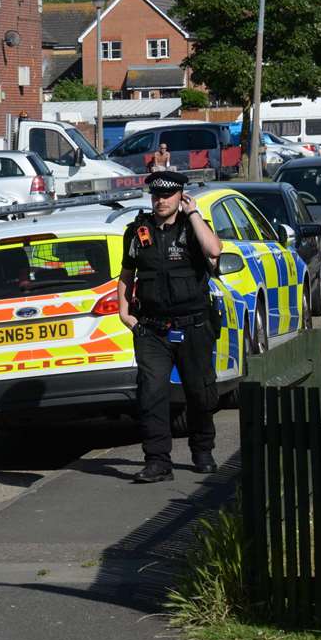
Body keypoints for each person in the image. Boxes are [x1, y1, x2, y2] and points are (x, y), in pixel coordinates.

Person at [116, 170, 223, 483]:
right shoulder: (138, 232)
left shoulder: (193, 229)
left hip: (194, 325)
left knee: (200, 392)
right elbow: (126, 275)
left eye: (168, 195)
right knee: (151, 393)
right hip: (152, 329)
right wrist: (125, 314)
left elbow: (214, 251)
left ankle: (202, 450)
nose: (161, 200)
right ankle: (157, 461)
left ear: (180, 196)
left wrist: (193, 214)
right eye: (156, 195)